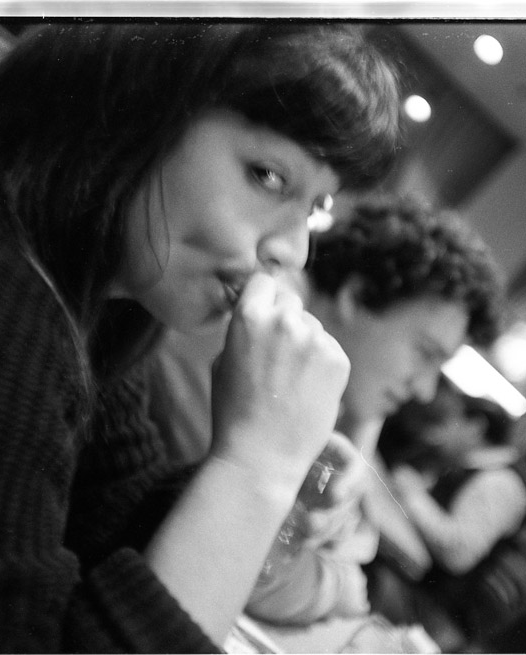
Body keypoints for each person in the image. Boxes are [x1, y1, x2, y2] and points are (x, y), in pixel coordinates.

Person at [0, 22, 402, 653]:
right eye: (269, 176)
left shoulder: (101, 299)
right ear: (138, 97)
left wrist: (274, 474)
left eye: (315, 208)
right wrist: (256, 472)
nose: (294, 251)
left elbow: (110, 507)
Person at [147, 194, 506, 629]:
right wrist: (336, 587)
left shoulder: (332, 386)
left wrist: (363, 425)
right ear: (357, 296)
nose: (426, 390)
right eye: (425, 353)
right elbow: (241, 562)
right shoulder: (249, 328)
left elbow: (348, 539)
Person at [370, 378, 526, 651]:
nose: (441, 432)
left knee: (359, 564)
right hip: (414, 579)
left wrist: (413, 495)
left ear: (475, 428)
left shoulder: (501, 484)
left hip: (427, 608)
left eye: (450, 422)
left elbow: (457, 554)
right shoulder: (474, 467)